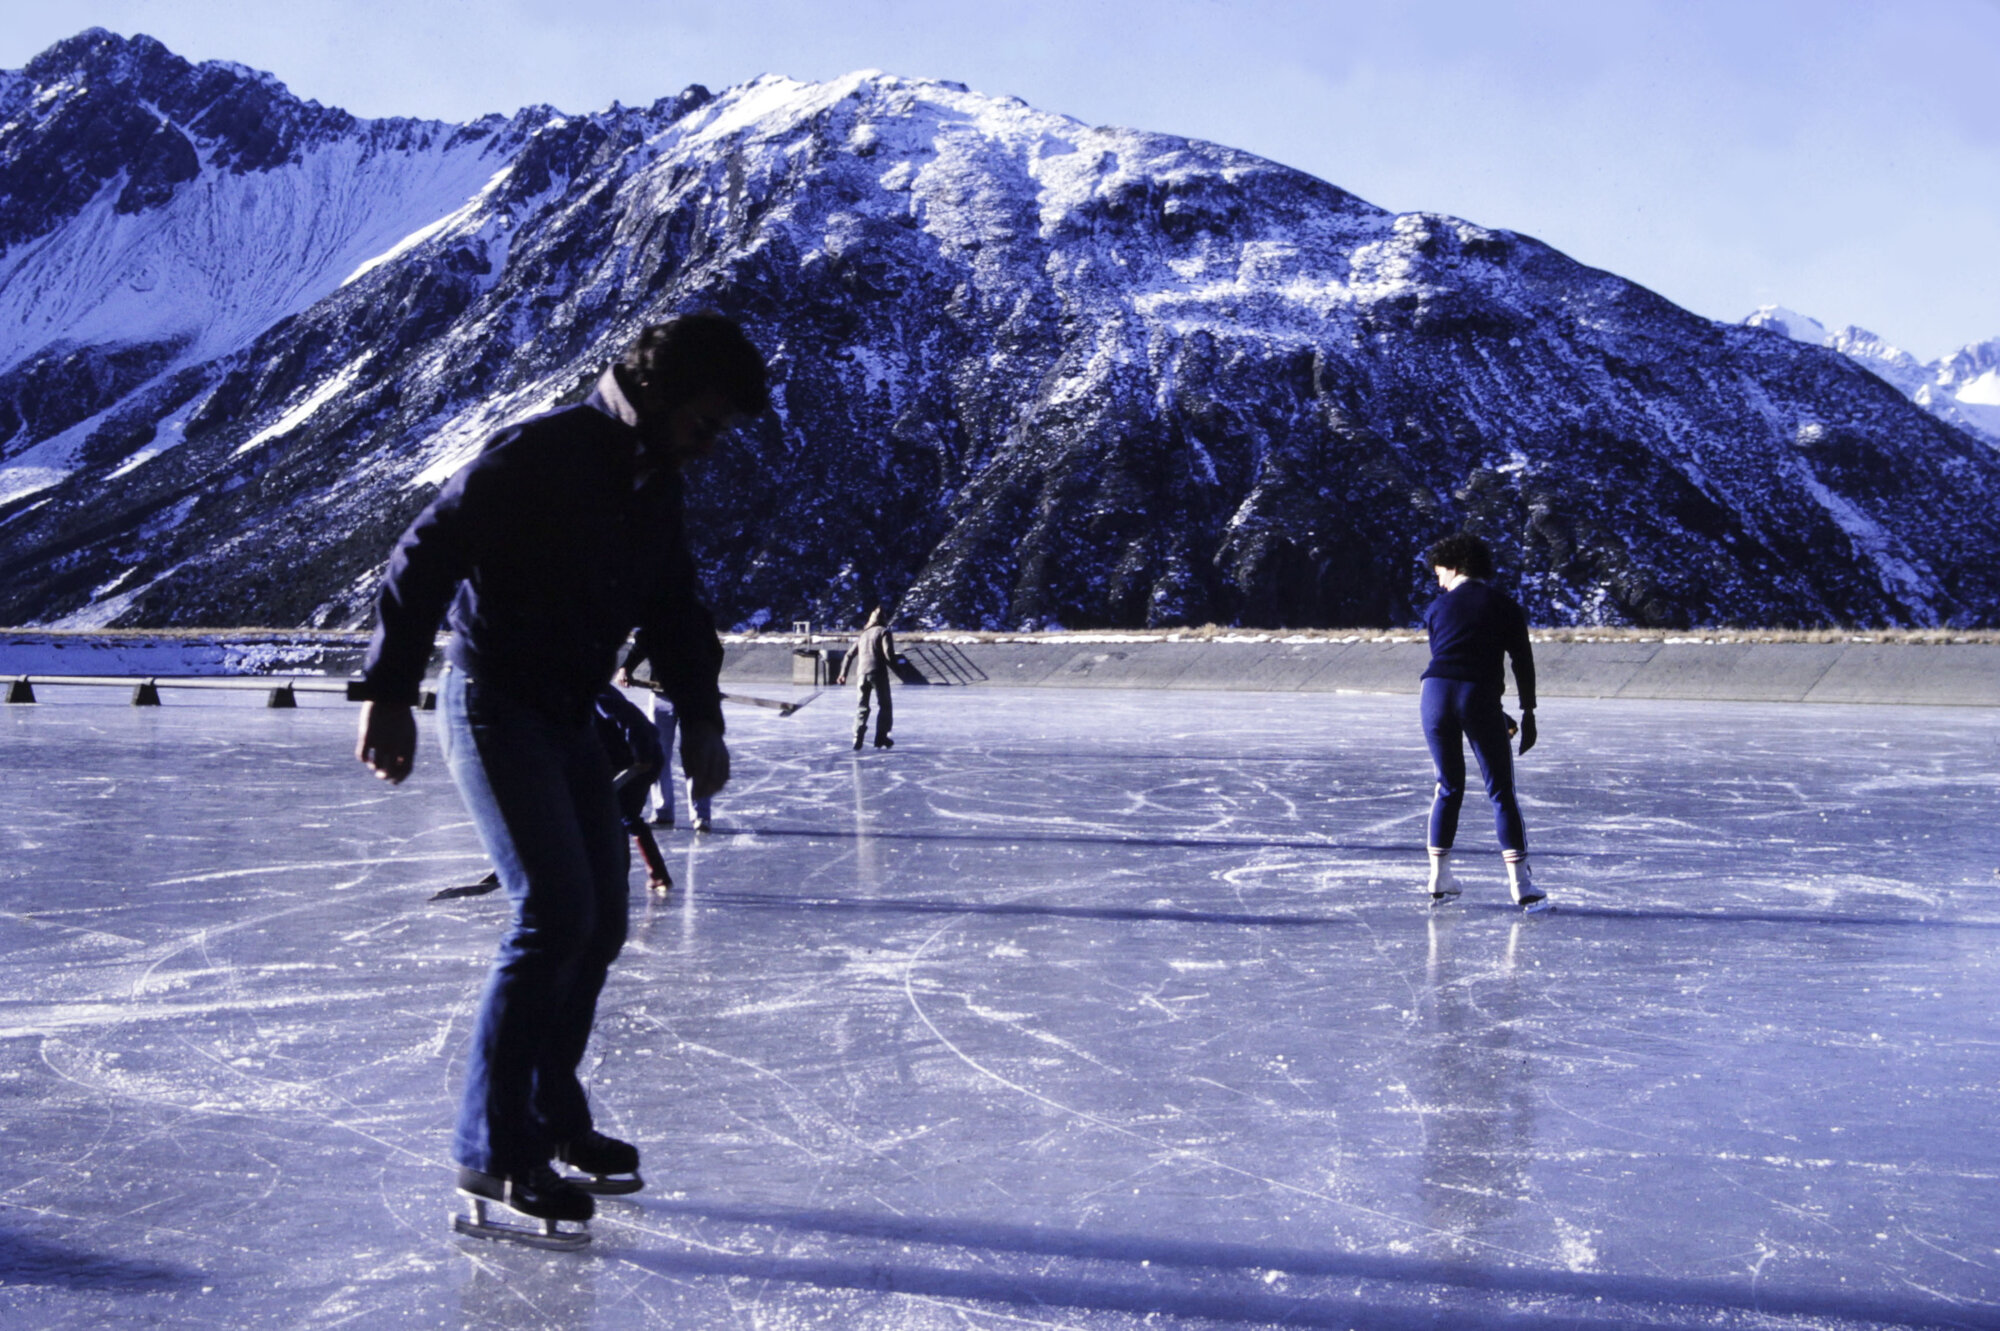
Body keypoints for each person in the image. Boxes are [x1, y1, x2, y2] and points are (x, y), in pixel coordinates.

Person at [352, 313, 768, 1246]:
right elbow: (425, 552)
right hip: (495, 703)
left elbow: (673, 606)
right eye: (704, 423)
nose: (709, 446)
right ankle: (491, 1146)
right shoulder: (546, 452)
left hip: (569, 714)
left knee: (601, 922)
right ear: (656, 394)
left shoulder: (651, 485)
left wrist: (700, 713)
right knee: (550, 913)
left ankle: (548, 1116)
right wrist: (386, 691)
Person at [1417, 532, 1545, 911]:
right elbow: (1521, 662)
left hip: (1433, 694)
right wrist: (1527, 712)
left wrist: (1490, 707)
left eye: (1439, 570)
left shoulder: (1437, 610)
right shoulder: (1504, 606)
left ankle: (1439, 879)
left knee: (1447, 786)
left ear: (1454, 565)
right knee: (1501, 791)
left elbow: (1451, 662)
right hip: (1477, 694)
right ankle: (1521, 885)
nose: (1438, 579)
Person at [837, 605, 896, 750]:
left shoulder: (863, 635)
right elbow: (888, 654)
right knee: (885, 705)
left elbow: (849, 655)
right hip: (878, 673)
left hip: (861, 675)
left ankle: (858, 736)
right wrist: (898, 669)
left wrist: (842, 674)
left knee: (862, 707)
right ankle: (881, 737)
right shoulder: (884, 632)